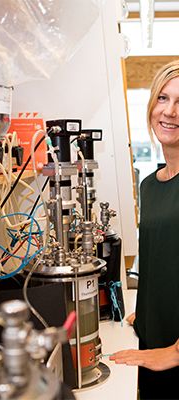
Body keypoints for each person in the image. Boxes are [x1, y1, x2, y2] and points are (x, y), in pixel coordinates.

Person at [110, 60, 179, 398]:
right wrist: (149, 313)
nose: (170, 112)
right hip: (151, 343)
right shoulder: (151, 185)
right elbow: (159, 259)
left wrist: (176, 351)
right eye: (163, 98)